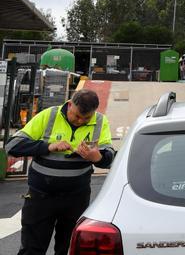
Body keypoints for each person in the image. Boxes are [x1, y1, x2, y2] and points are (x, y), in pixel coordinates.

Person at [4, 89, 114, 255]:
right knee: (32, 249)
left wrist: (97, 157)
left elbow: (109, 158)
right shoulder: (49, 115)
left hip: (76, 199)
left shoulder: (100, 121)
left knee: (70, 249)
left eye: (86, 118)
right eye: (77, 116)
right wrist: (48, 147)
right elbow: (12, 146)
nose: (80, 121)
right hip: (40, 197)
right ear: (69, 105)